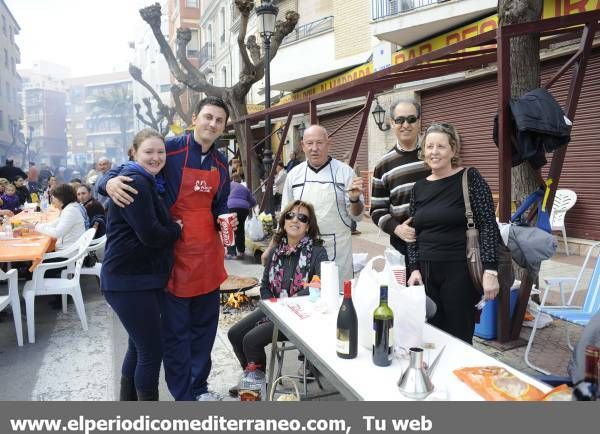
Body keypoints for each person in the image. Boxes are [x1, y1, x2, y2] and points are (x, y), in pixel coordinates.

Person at [99, 96, 237, 401]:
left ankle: (199, 388)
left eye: (219, 120)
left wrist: (227, 216)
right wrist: (106, 182)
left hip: (209, 258)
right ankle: (183, 394)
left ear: (224, 127)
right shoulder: (169, 148)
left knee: (204, 332)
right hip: (174, 257)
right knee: (175, 335)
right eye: (208, 117)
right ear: (195, 119)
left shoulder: (220, 162)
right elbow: (129, 167)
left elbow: (221, 202)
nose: (212, 124)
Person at [101, 129, 183, 401]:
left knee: (137, 347)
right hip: (129, 280)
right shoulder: (135, 181)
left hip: (136, 280)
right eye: (148, 151)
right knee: (151, 350)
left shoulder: (145, 180)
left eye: (160, 152)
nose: (156, 157)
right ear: (133, 153)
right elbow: (151, 235)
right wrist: (176, 228)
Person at [406, 123, 499, 344]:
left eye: (441, 146)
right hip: (426, 273)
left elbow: (488, 225)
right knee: (429, 337)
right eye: (429, 146)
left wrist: (491, 270)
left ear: (453, 150)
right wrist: (414, 268)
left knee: (458, 337)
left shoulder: (470, 178)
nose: (434, 152)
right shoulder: (418, 188)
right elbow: (412, 232)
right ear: (423, 151)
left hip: (460, 270)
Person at [227, 200, 327, 397]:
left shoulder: (316, 251)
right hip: (274, 310)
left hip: (299, 316)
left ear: (309, 225)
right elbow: (264, 286)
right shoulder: (276, 250)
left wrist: (285, 306)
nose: (295, 220)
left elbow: (319, 286)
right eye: (290, 215)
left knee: (250, 340)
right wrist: (273, 307)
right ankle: (253, 377)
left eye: (302, 217)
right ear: (283, 221)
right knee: (234, 333)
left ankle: (254, 387)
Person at [275, 125, 363, 282]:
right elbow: (284, 216)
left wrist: (354, 199)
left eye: (319, 143)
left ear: (329, 143)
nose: (314, 148)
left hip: (337, 249)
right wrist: (273, 248)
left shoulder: (345, 172)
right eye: (309, 143)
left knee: (337, 294)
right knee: (303, 296)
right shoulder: (294, 175)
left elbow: (356, 216)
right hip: (301, 247)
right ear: (302, 146)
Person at [371, 99, 430, 260]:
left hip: (439, 242)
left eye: (411, 119)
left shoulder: (434, 155)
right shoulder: (384, 165)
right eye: (399, 120)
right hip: (403, 246)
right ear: (392, 123)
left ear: (419, 122)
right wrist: (397, 229)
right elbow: (377, 210)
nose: (406, 124)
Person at [34, 183, 87, 252]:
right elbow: (54, 224)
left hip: (68, 253)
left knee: (37, 256)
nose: (52, 201)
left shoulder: (70, 211)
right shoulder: (69, 208)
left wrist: (36, 227)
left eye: (53, 198)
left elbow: (57, 233)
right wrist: (35, 226)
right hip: (68, 249)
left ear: (61, 198)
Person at [226, 173, 256, 259]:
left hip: (231, 207)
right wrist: (247, 205)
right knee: (240, 228)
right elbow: (253, 202)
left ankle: (231, 253)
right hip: (243, 209)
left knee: (230, 228)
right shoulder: (245, 188)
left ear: (233, 180)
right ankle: (241, 251)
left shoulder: (229, 185)